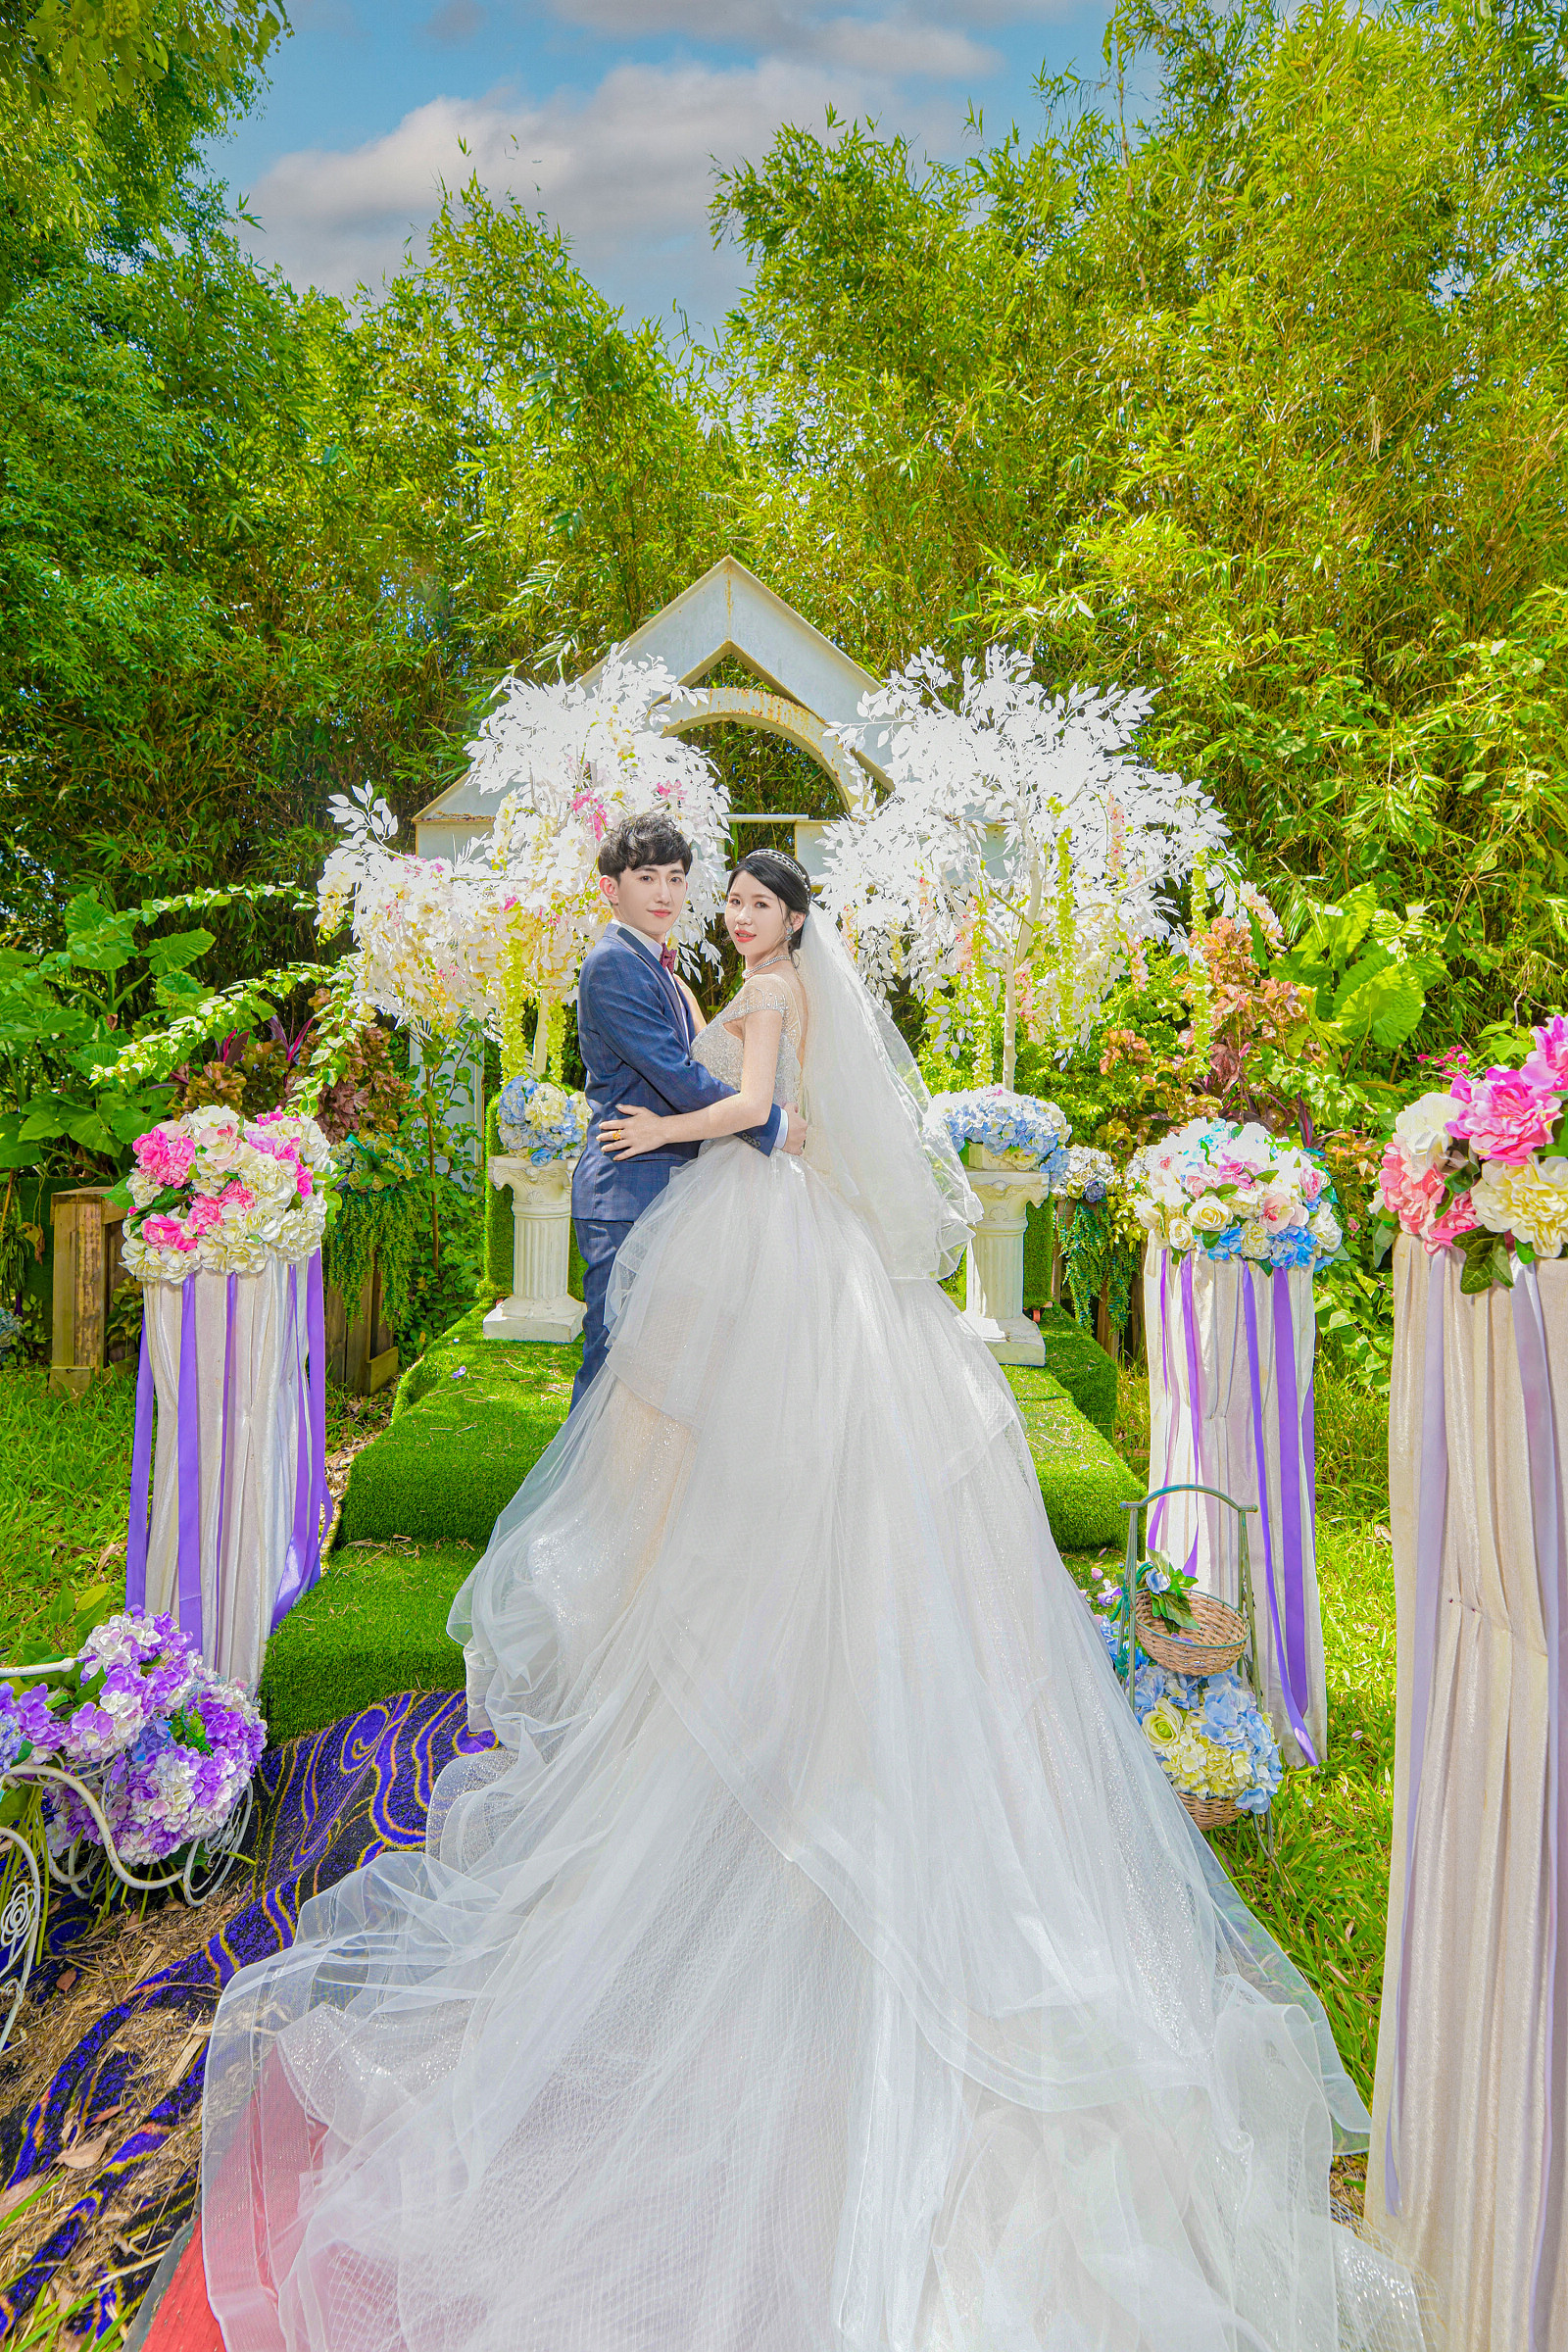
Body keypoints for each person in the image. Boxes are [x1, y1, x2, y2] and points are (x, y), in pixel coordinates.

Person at [202, 851, 1430, 2352]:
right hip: (761, 1233)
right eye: (727, 906)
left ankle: (778, 1687)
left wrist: (669, 1117)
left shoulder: (770, 993)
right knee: (737, 1459)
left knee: (780, 1461)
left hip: (764, 1220)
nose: (737, 924)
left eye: (754, 908)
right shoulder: (708, 974)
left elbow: (768, 1117)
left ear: (793, 925)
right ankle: (741, 1654)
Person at [569, 814, 806, 1409]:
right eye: (646, 877)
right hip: (628, 1181)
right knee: (612, 1362)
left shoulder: (658, 966)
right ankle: (584, 1503)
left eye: (675, 879)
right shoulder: (615, 964)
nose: (664, 893)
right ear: (610, 888)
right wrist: (770, 1124)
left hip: (668, 1179)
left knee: (652, 1368)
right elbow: (676, 1075)